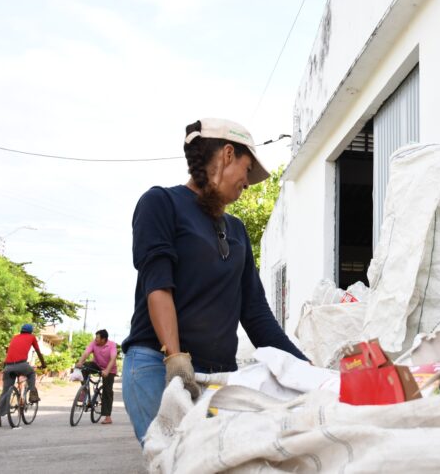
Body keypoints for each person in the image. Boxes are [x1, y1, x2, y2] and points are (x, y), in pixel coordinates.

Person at [122, 118, 309, 444]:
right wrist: (175, 359)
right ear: (226, 155)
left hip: (218, 376)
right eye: (247, 169)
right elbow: (158, 285)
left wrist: (306, 370)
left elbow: (257, 316)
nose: (247, 183)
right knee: (174, 462)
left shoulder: (236, 231)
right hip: (157, 364)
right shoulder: (161, 203)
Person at [0, 323, 46, 427]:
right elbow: (38, 351)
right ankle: (32, 393)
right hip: (22, 365)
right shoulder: (31, 337)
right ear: (31, 331)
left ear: (21, 330)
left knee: (4, 392)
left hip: (8, 367)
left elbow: (10, 351)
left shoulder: (15, 337)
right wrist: (43, 364)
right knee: (31, 373)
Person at [76, 329, 117, 425]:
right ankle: (85, 390)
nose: (95, 339)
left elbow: (113, 358)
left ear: (104, 339)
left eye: (97, 338)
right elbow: (86, 353)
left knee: (107, 391)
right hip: (97, 365)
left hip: (109, 369)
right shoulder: (94, 343)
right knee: (84, 368)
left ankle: (108, 417)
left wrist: (107, 370)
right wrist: (80, 362)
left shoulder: (112, 345)